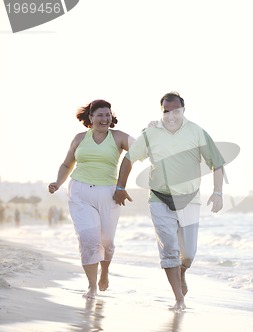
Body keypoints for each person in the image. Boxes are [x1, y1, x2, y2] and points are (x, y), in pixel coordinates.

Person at [113, 91, 225, 311]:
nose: (171, 115)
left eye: (176, 111)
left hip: (189, 200)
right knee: (169, 250)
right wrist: (120, 187)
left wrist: (218, 192)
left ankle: (182, 272)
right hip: (159, 198)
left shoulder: (197, 132)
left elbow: (217, 163)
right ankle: (179, 299)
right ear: (162, 111)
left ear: (183, 110)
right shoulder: (151, 133)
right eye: (166, 111)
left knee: (189, 255)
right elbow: (129, 159)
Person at [48, 99, 132, 299]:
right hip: (80, 191)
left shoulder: (119, 137)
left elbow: (140, 151)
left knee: (107, 242)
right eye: (100, 115)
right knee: (89, 240)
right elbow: (67, 163)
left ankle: (105, 271)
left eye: (108, 114)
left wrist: (121, 186)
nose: (105, 118)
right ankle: (92, 286)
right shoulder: (79, 138)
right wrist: (58, 182)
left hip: (109, 193)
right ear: (91, 117)